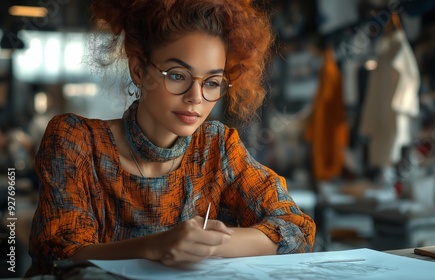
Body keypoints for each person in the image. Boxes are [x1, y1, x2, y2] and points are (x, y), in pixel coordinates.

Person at [26, 0, 316, 276]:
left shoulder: (217, 147)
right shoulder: (76, 141)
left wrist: (203, 244)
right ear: (139, 69)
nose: (196, 98)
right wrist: (156, 246)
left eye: (212, 83)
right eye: (178, 75)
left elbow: (296, 229)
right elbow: (59, 255)